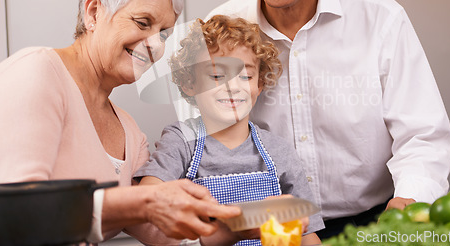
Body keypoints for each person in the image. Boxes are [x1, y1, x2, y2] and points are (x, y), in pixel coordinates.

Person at [206, 0, 450, 239]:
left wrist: (410, 199)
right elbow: (209, 146)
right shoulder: (220, 33)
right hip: (270, 232)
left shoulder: (381, 17)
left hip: (377, 223)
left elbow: (423, 135)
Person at [0, 0, 240, 244]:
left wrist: (232, 229)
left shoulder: (130, 133)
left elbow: (159, 229)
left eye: (163, 34)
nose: (156, 46)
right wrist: (145, 202)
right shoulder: (36, 72)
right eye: (142, 22)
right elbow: (14, 213)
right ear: (94, 12)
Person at [135, 15, 324, 245]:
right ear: (189, 83)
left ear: (259, 85)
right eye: (217, 75)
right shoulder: (181, 140)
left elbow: (306, 233)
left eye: (245, 76)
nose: (233, 86)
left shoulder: (278, 150)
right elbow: (148, 196)